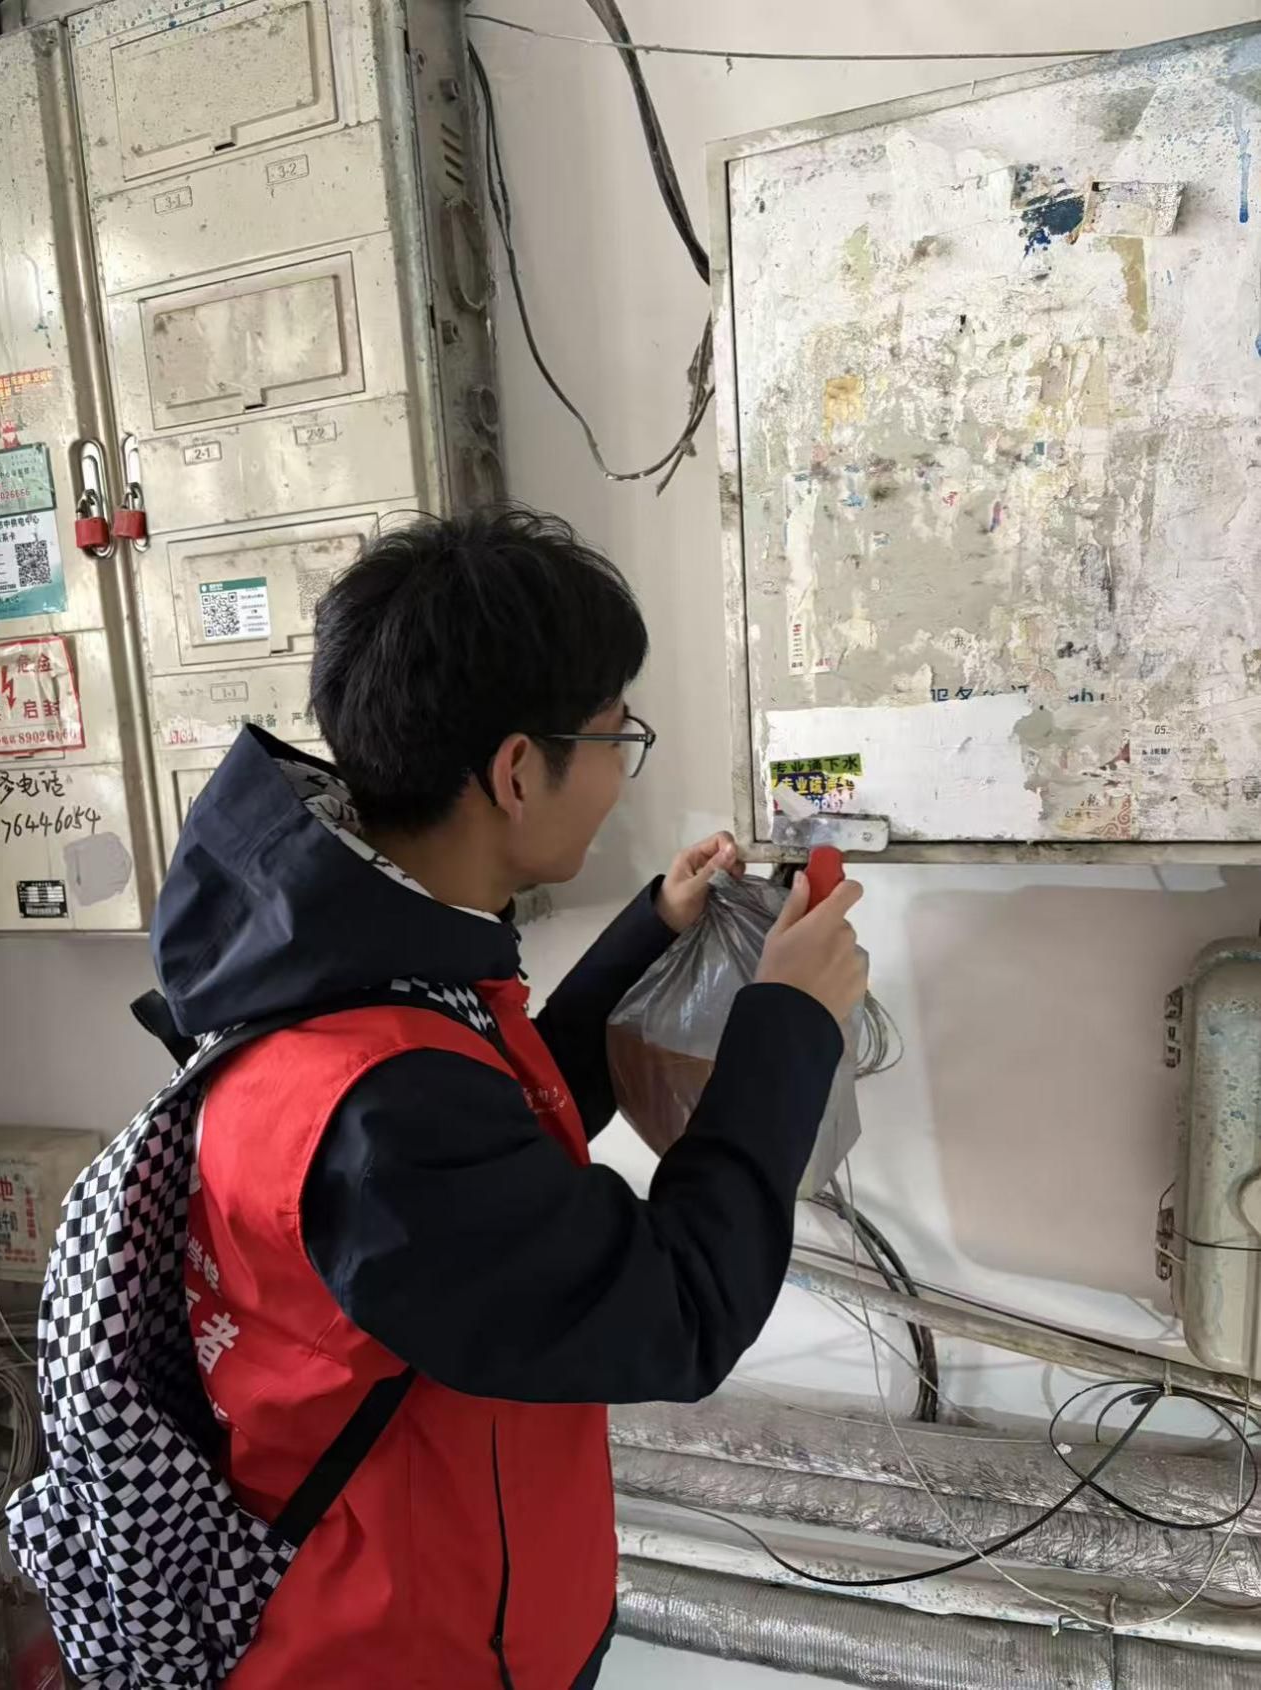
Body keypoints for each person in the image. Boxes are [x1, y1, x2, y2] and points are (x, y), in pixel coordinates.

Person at [150, 506, 866, 1690]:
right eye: (617, 734)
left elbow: (498, 1152)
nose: (623, 767)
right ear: (519, 772)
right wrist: (788, 1022)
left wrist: (651, 930)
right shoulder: (378, 1115)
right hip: (398, 1659)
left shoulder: (351, 973)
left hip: (461, 1612)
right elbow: (682, 1307)